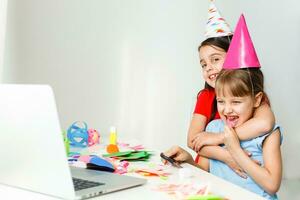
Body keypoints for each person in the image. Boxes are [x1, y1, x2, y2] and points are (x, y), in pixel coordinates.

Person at [164, 14, 282, 200]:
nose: (227, 109)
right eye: (221, 101)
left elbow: (266, 125)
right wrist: (187, 159)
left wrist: (229, 144)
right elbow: (200, 154)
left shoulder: (265, 130)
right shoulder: (212, 123)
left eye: (235, 102)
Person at [188, 2, 274, 176]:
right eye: (203, 64)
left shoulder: (252, 94)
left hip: (244, 170)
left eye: (215, 59)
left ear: (233, 56)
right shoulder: (206, 96)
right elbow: (193, 140)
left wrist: (219, 138)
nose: (208, 67)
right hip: (209, 169)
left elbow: (264, 123)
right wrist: (227, 156)